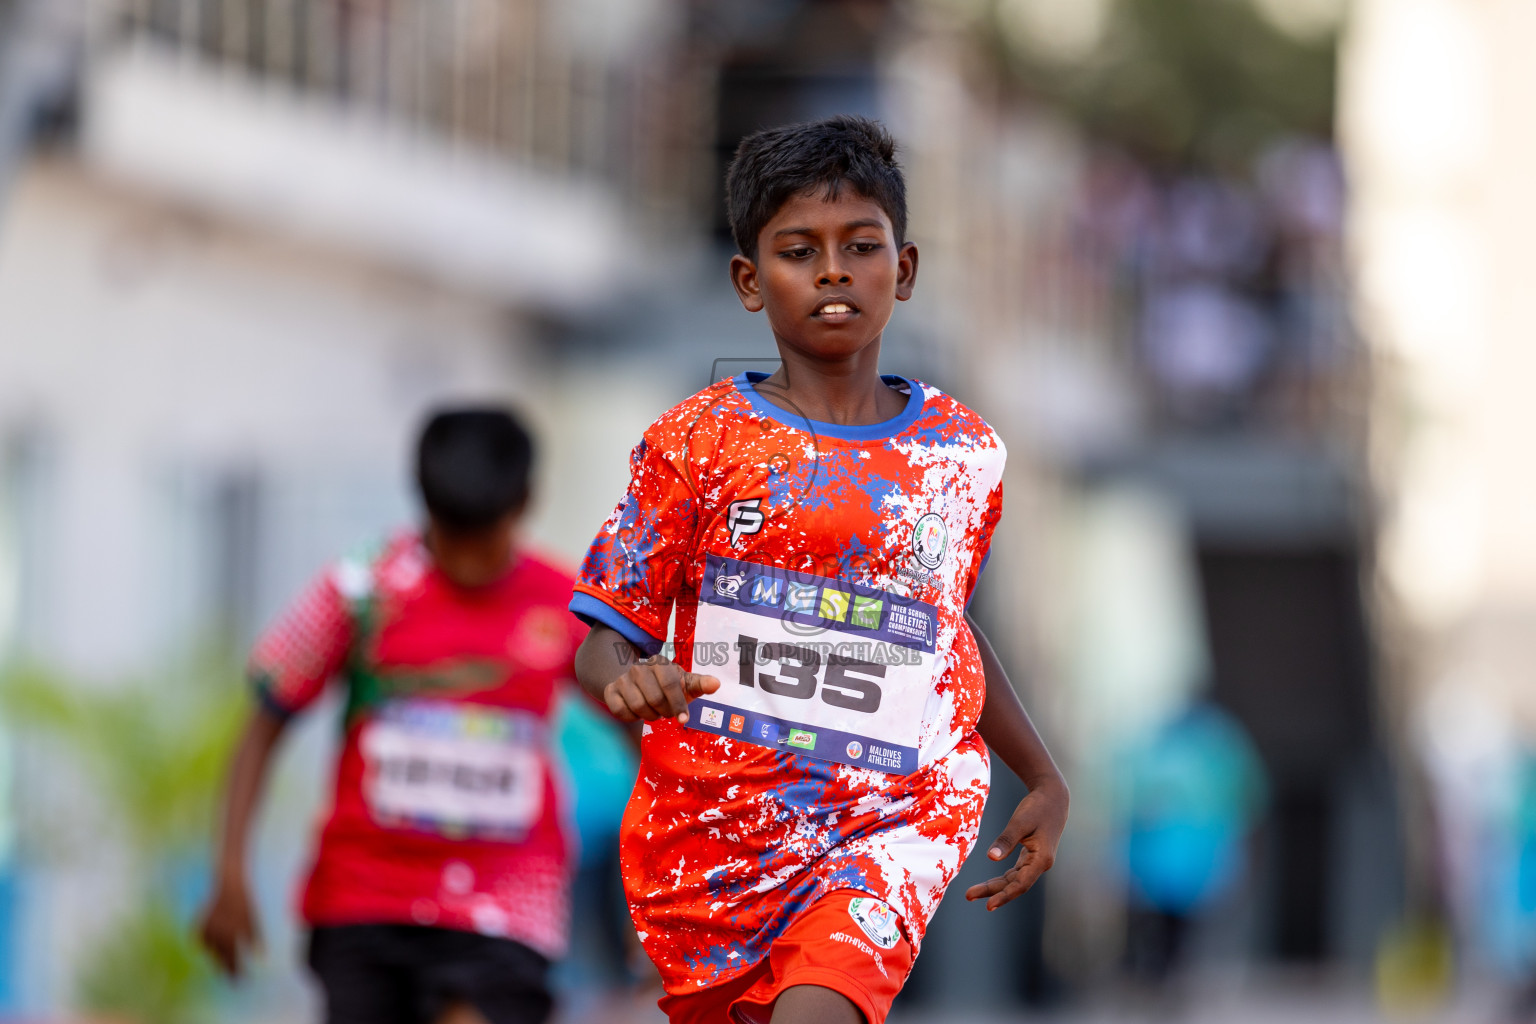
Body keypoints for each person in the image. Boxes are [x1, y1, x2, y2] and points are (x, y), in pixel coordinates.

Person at [569, 116, 1070, 1024]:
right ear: (751, 283)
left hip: (895, 819)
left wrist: (1039, 774)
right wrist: (628, 679)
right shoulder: (698, 442)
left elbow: (939, 632)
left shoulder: (963, 454)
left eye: (861, 246)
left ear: (903, 270)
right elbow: (605, 637)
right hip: (714, 845)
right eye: (800, 251)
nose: (834, 270)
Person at [197, 408, 587, 1024]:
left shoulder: (565, 603)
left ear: (524, 506)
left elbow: (640, 728)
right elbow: (264, 723)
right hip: (364, 894)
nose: (464, 565)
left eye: (482, 542)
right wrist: (229, 872)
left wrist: (666, 893)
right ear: (423, 504)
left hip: (508, 898)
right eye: (449, 537)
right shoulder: (361, 589)